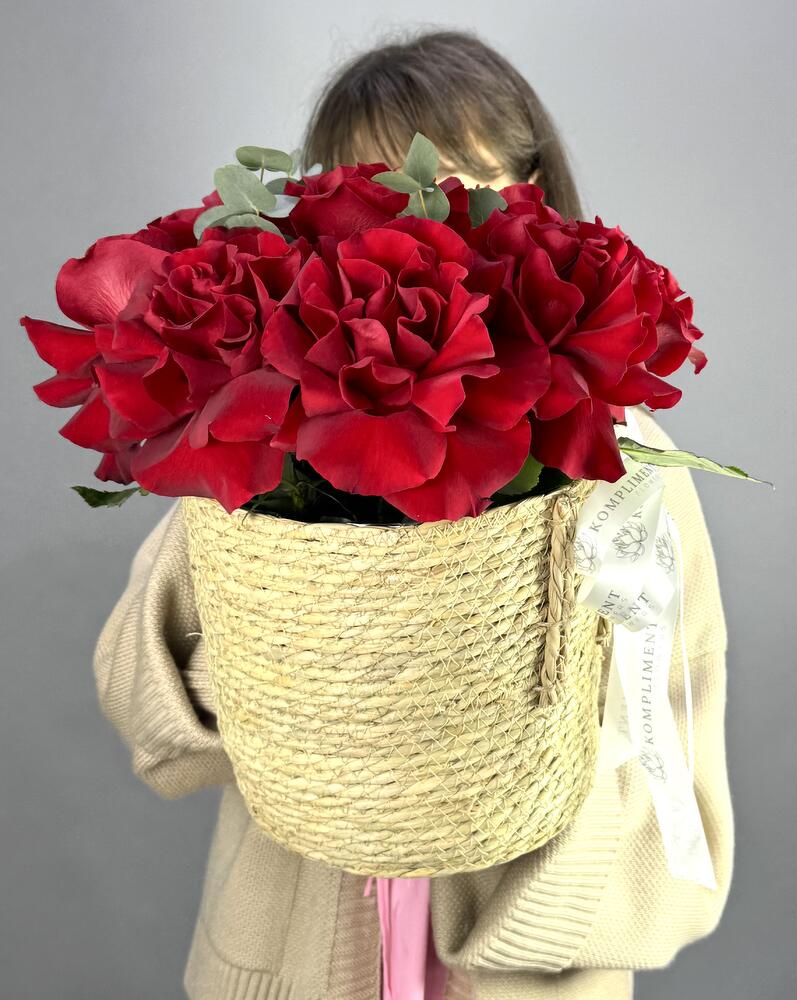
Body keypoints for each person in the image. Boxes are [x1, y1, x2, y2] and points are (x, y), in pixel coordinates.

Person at [94, 29, 733, 1000]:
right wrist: (301, 683)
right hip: (289, 960)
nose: (427, 222)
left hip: (517, 966)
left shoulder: (622, 461)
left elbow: (678, 786)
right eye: (379, 193)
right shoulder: (266, 445)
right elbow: (140, 685)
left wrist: (515, 795)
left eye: (461, 186)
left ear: (533, 198)